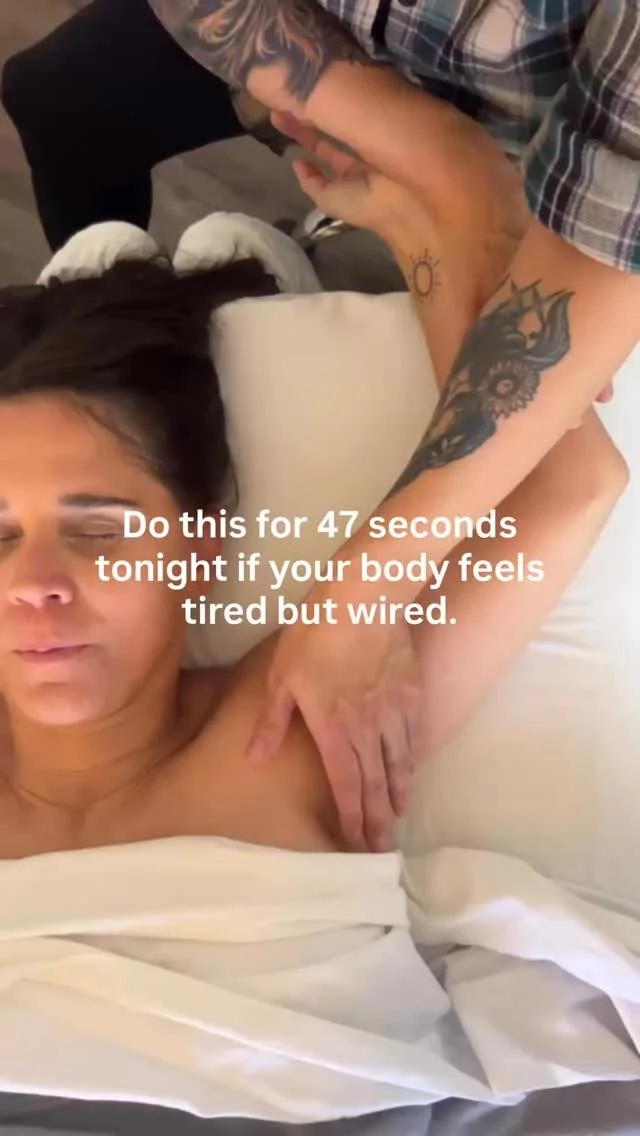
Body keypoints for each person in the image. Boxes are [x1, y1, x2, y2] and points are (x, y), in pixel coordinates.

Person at [3, 2, 636, 819]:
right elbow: (569, 486)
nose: (35, 587)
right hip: (391, 96)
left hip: (565, 152)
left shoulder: (295, 732)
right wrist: (437, 193)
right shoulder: (309, 735)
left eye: (99, 530)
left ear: (203, 548)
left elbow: (613, 229)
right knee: (57, 97)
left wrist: (442, 215)